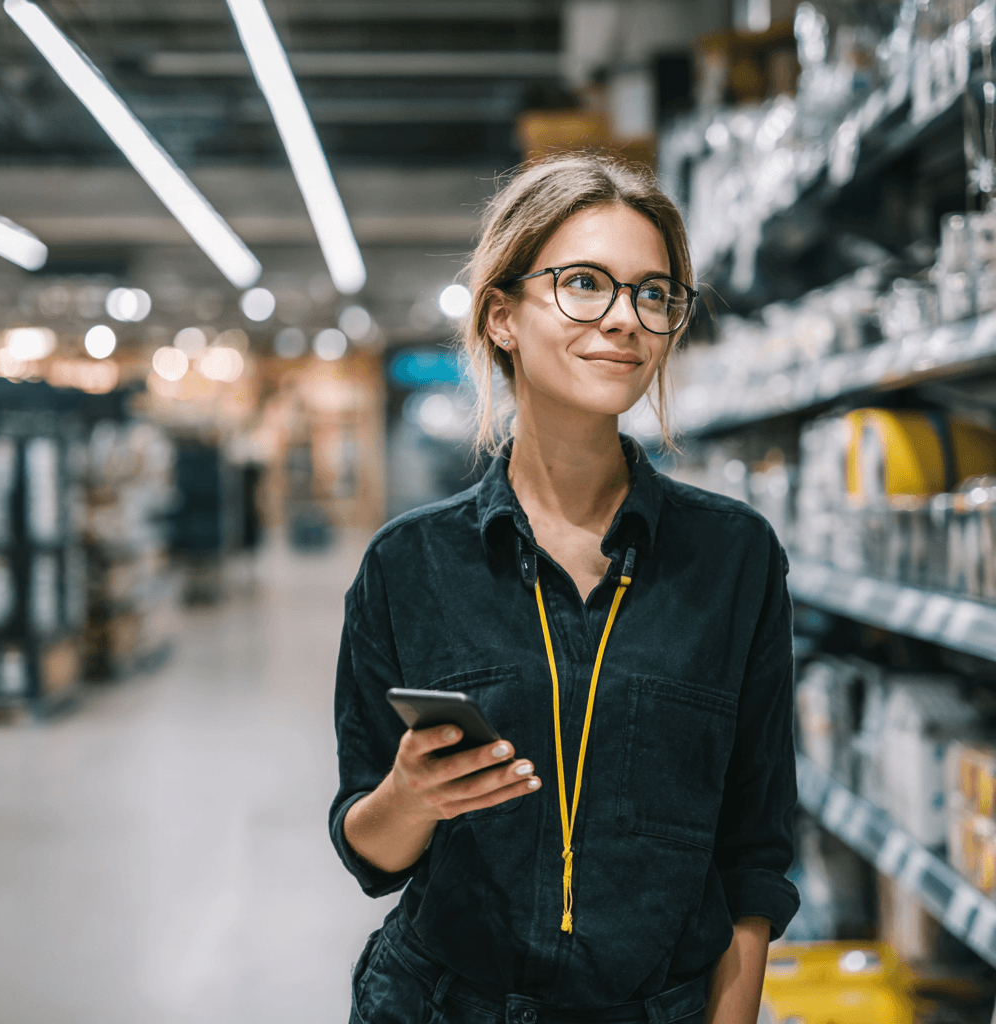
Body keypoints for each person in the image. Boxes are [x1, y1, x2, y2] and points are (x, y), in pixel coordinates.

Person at [330, 152, 799, 1024]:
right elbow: (370, 852)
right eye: (585, 283)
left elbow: (754, 847)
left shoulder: (735, 558)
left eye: (654, 294)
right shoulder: (410, 565)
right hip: (442, 1002)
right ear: (502, 316)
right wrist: (410, 797)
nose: (625, 319)